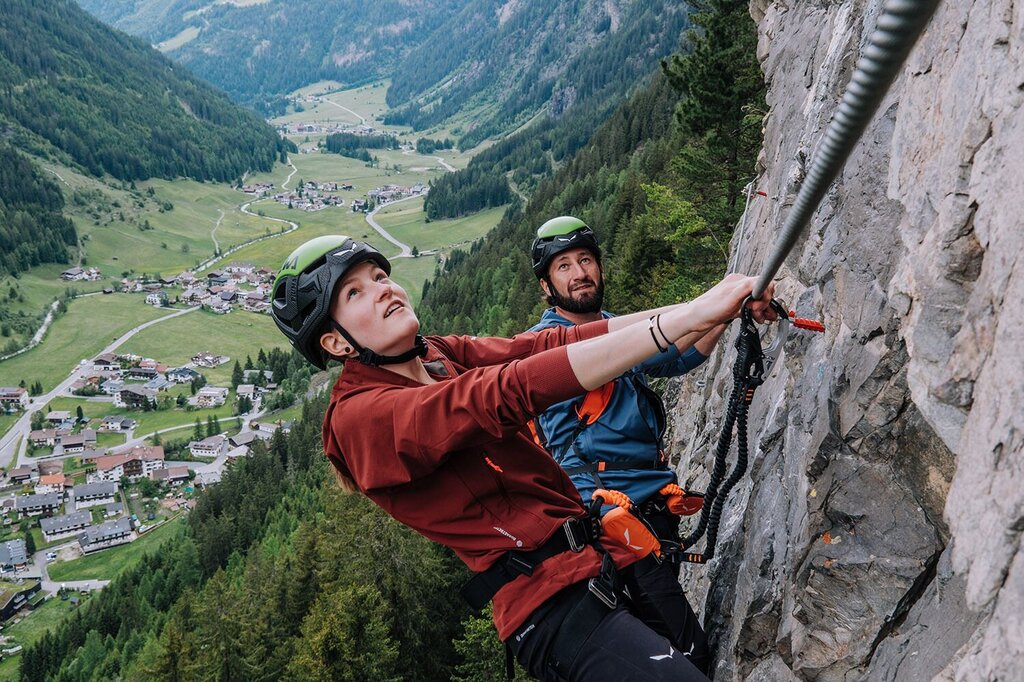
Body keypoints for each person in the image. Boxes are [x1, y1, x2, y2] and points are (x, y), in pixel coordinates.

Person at [270, 235, 776, 681]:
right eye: (354, 292)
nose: (383, 288)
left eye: (380, 275)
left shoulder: (435, 355)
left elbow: (542, 345)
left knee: (699, 657)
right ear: (335, 343)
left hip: (596, 555)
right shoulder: (360, 420)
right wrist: (688, 317)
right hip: (551, 605)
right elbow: (503, 392)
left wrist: (704, 307)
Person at [527, 216, 724, 674]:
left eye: (586, 260)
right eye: (563, 267)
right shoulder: (547, 350)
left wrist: (726, 312)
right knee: (688, 657)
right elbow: (559, 447)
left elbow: (678, 357)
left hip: (651, 518)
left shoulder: (616, 327)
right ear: (546, 286)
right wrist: (593, 510)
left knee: (661, 657)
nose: (579, 272)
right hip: (614, 526)